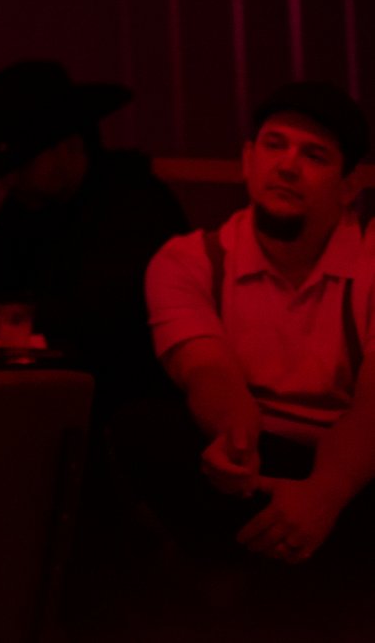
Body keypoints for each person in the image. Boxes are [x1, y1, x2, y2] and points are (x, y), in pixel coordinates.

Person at [115, 82, 375, 619]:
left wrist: (325, 494)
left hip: (352, 462)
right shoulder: (192, 259)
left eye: (314, 155)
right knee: (142, 427)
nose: (287, 165)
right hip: (258, 459)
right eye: (274, 145)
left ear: (351, 185)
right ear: (246, 160)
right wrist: (235, 440)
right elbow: (205, 367)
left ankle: (273, 573)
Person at [0, 58, 185, 405]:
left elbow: (106, 320)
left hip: (124, 409)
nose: (8, 180)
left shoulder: (136, 205)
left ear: (68, 147)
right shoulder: (27, 206)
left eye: (21, 164)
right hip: (48, 397)